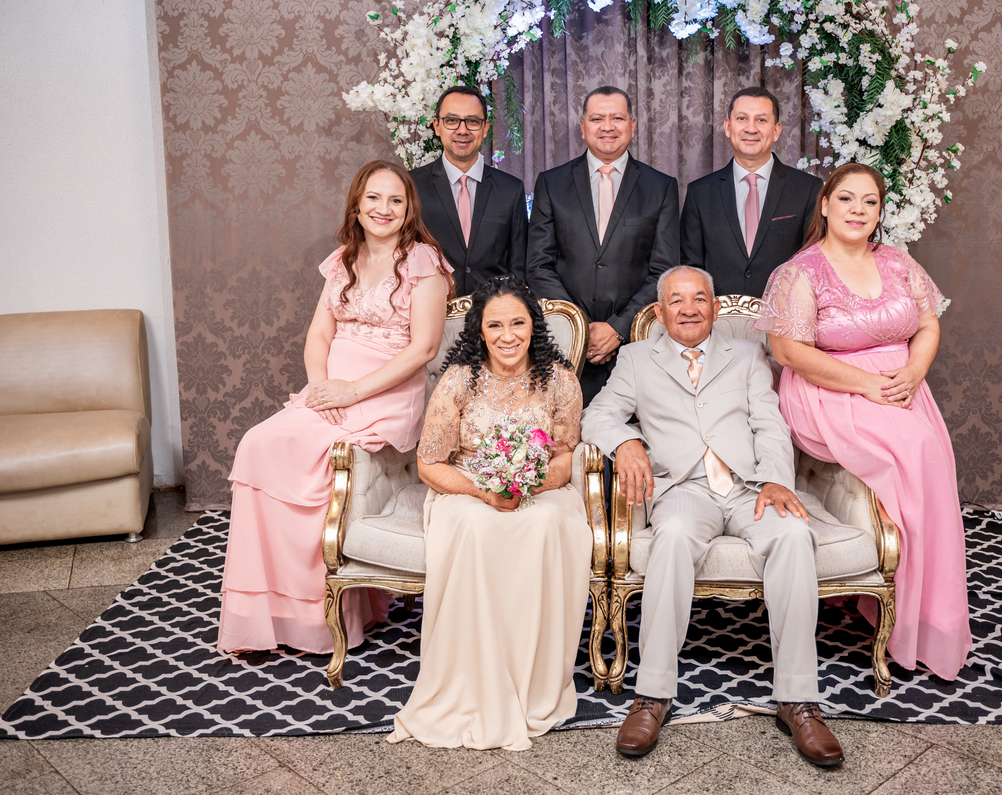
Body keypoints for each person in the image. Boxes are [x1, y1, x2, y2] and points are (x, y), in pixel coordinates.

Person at [581, 266, 844, 768]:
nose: (688, 309)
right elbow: (598, 414)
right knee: (673, 535)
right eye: (676, 301)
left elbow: (769, 424)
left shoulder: (746, 354)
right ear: (659, 312)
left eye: (699, 298)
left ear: (715, 308)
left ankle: (798, 700)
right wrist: (627, 441)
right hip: (683, 489)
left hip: (750, 489)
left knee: (794, 534)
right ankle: (652, 694)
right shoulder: (635, 358)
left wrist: (776, 479)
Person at [217, 160, 454, 654]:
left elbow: (425, 349)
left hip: (386, 393)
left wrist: (353, 391)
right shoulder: (343, 259)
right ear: (357, 205)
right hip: (331, 392)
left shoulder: (424, 262)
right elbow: (319, 335)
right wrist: (319, 388)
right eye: (374, 198)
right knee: (257, 445)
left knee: (312, 458)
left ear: (409, 208)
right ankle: (271, 612)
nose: (384, 209)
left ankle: (321, 618)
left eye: (395, 200)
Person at [755, 162, 972, 682]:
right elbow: (788, 352)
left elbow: (927, 325)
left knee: (929, 459)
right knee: (915, 452)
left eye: (869, 201)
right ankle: (904, 613)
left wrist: (914, 372)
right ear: (825, 205)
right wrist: (865, 383)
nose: (857, 210)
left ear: (879, 212)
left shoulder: (898, 262)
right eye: (847, 199)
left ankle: (923, 614)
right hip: (828, 391)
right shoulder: (800, 273)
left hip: (902, 389)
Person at [389, 276, 592, 751]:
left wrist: (527, 484)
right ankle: (476, 680)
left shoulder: (559, 380)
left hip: (539, 489)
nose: (507, 335)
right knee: (478, 528)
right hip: (467, 488)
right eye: (495, 325)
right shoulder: (459, 380)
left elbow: (566, 454)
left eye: (517, 323)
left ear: (533, 326)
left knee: (545, 523)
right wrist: (485, 491)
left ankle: (532, 680)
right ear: (479, 330)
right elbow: (429, 464)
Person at [525, 85, 679, 404]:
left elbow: (664, 271)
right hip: (564, 345)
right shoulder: (551, 184)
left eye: (617, 118)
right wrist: (579, 328)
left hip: (635, 346)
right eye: (597, 119)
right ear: (583, 127)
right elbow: (538, 265)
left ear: (632, 125)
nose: (607, 126)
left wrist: (617, 328)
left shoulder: (661, 187)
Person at [680, 87, 822, 298]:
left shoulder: (808, 189)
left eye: (761, 120)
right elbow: (690, 269)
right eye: (742, 118)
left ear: (776, 131)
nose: (751, 128)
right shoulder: (700, 193)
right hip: (720, 315)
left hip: (785, 314)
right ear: (728, 127)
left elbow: (814, 263)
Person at [409, 86, 528, 294]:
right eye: (451, 120)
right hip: (430, 308)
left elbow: (519, 267)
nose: (462, 130)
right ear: (437, 126)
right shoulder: (411, 185)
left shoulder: (511, 189)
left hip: (493, 309)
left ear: (485, 128)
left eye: (472, 121)